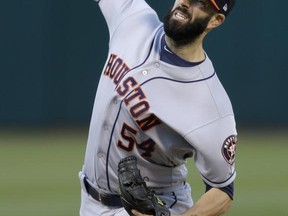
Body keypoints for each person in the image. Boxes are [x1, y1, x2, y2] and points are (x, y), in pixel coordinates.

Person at [79, 0, 237, 215]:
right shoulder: (133, 19)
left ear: (216, 20)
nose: (186, 3)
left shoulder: (211, 104)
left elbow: (222, 189)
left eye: (200, 2)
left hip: (155, 206)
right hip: (89, 200)